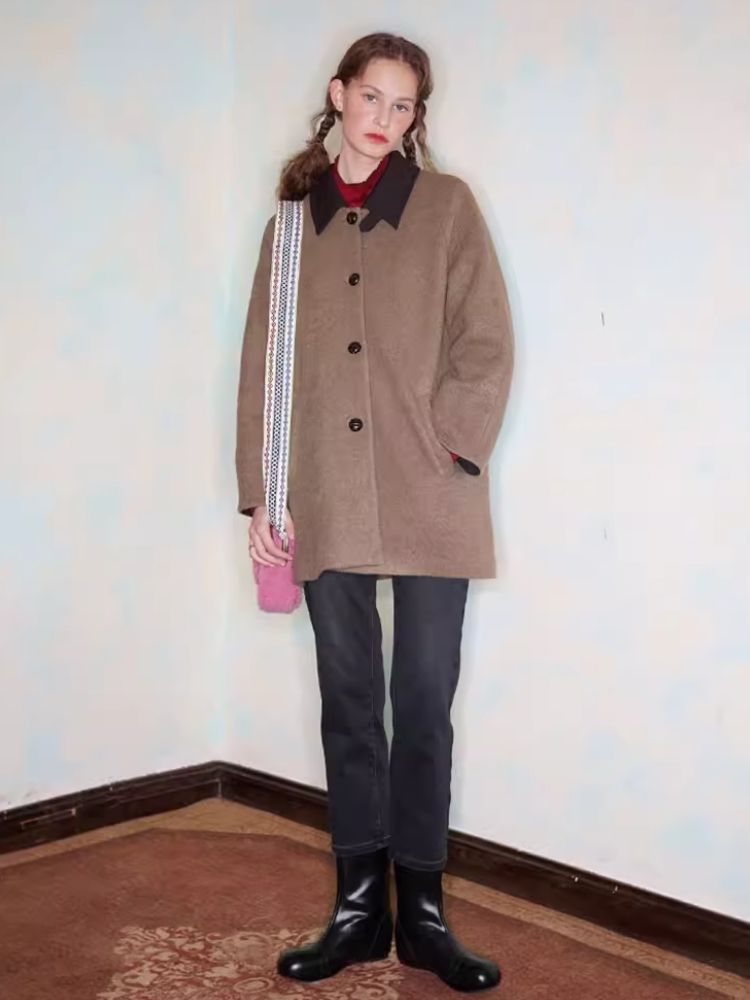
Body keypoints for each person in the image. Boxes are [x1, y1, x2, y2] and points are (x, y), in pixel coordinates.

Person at [235, 31, 514, 993]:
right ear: (339, 94)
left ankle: (424, 917)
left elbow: (486, 341)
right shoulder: (289, 229)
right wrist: (262, 493)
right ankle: (360, 910)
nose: (384, 119)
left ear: (414, 118)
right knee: (349, 703)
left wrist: (453, 440)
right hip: (324, 491)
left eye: (403, 107)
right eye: (371, 98)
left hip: (432, 490)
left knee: (424, 701)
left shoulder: (446, 208)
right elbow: (262, 368)